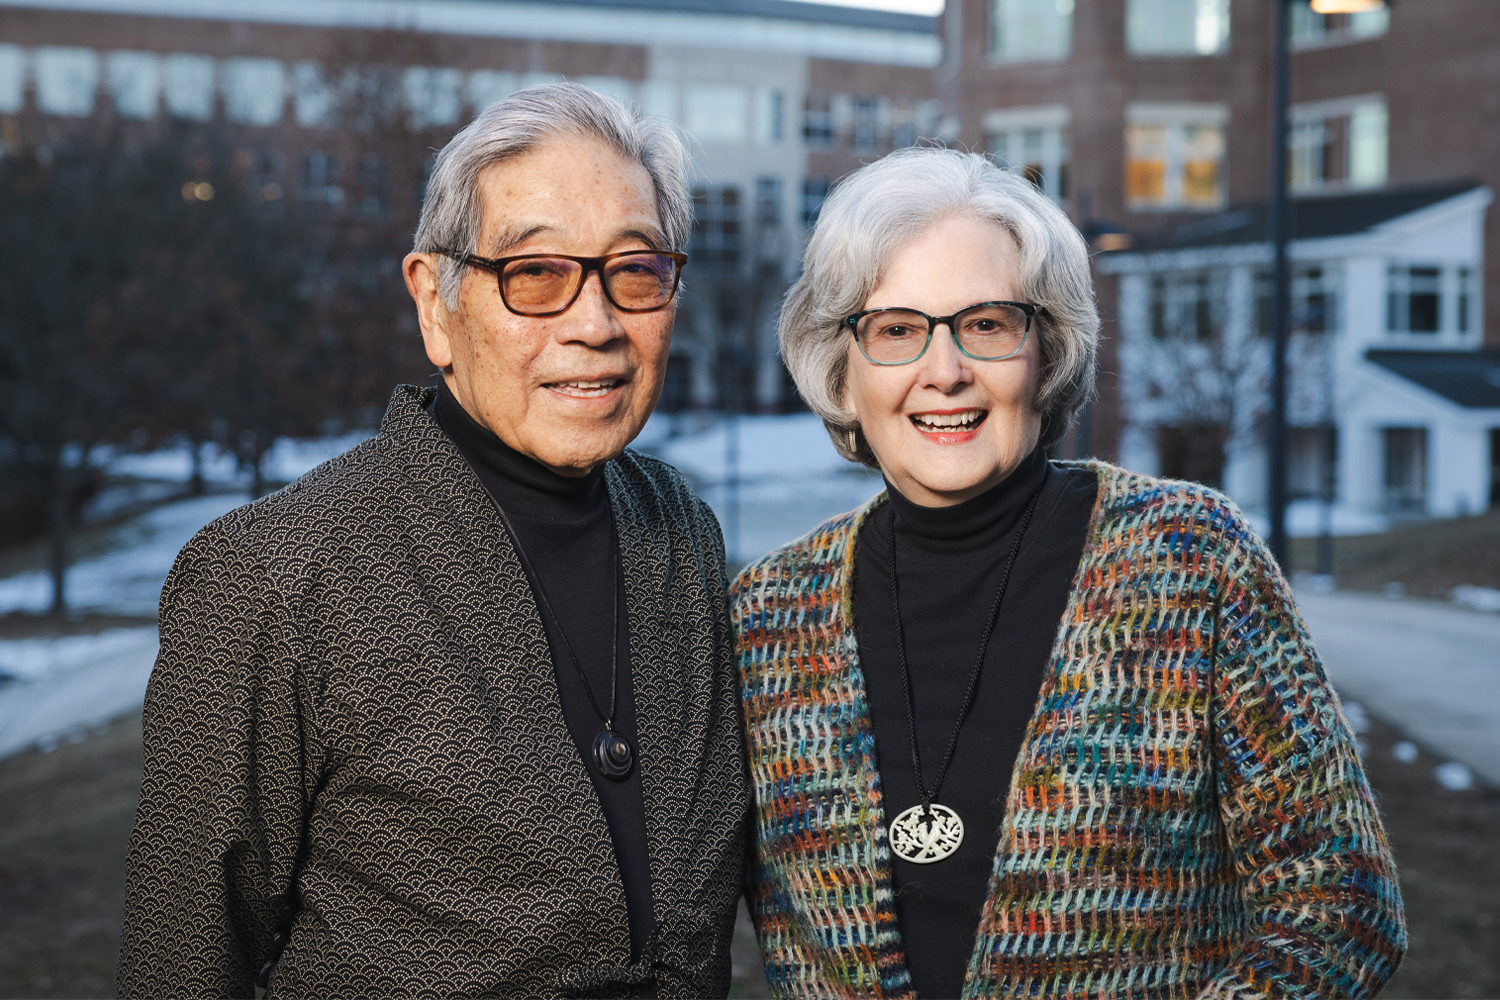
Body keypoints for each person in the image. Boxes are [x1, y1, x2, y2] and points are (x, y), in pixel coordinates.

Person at [117, 83, 746, 998]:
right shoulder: (274, 577)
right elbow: (178, 964)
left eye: (636, 271)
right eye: (534, 274)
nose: (596, 322)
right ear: (435, 303)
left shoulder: (679, 532)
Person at [731, 147, 1405, 999]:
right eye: (897, 329)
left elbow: (1341, 900)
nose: (945, 371)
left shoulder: (1191, 561)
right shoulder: (763, 618)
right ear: (841, 368)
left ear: (1045, 351)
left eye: (986, 324)